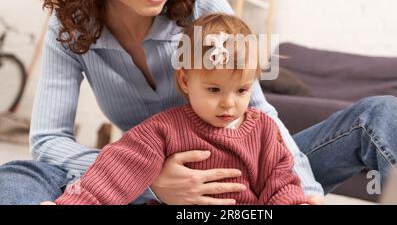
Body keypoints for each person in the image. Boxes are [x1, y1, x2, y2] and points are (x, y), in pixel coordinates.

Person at [0, 0, 397, 205]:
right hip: (143, 173)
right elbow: (49, 140)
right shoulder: (71, 27)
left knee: (380, 115)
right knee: (24, 170)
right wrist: (152, 181)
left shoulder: (202, 10)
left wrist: (304, 191)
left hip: (243, 174)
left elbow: (259, 113)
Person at [51, 13, 307, 205]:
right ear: (186, 81)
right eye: (214, 90)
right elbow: (114, 174)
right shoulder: (163, 130)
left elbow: (281, 183)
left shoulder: (263, 129)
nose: (229, 103)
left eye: (241, 90)